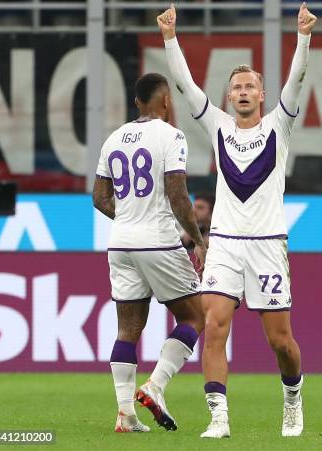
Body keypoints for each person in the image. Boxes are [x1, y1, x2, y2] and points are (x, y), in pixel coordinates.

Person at [156, 2, 316, 438]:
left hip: (267, 244)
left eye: (250, 87)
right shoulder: (218, 125)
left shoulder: (279, 125)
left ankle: (292, 398)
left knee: (280, 342)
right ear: (229, 96)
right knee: (213, 327)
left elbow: (296, 78)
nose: (243, 92)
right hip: (224, 242)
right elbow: (186, 86)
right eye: (237, 87)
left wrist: (303, 35)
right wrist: (170, 37)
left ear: (262, 95)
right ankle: (218, 418)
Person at [93, 72, 207, 433]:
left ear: (137, 103)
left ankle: (125, 414)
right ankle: (155, 386)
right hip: (157, 240)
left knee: (127, 330)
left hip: (121, 242)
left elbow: (98, 197)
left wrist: (127, 217)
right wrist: (198, 239)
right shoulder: (171, 136)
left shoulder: (112, 140)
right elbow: (177, 195)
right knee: (193, 318)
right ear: (166, 101)